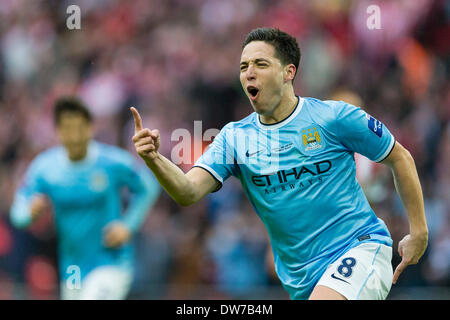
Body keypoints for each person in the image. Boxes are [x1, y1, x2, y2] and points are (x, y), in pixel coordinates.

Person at [130, 28, 428, 300]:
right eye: (243, 67)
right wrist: (155, 159)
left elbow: (398, 157)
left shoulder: (333, 118)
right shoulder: (234, 139)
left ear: (289, 72)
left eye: (260, 64)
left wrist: (419, 232)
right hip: (301, 279)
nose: (249, 73)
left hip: (359, 248)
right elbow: (187, 191)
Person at [10, 96, 160, 300]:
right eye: (67, 128)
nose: (73, 135)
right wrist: (30, 213)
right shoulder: (45, 168)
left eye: (79, 127)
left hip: (110, 262)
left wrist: (128, 226)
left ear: (90, 128)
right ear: (58, 131)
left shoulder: (112, 162)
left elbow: (148, 187)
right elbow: (18, 211)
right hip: (72, 268)